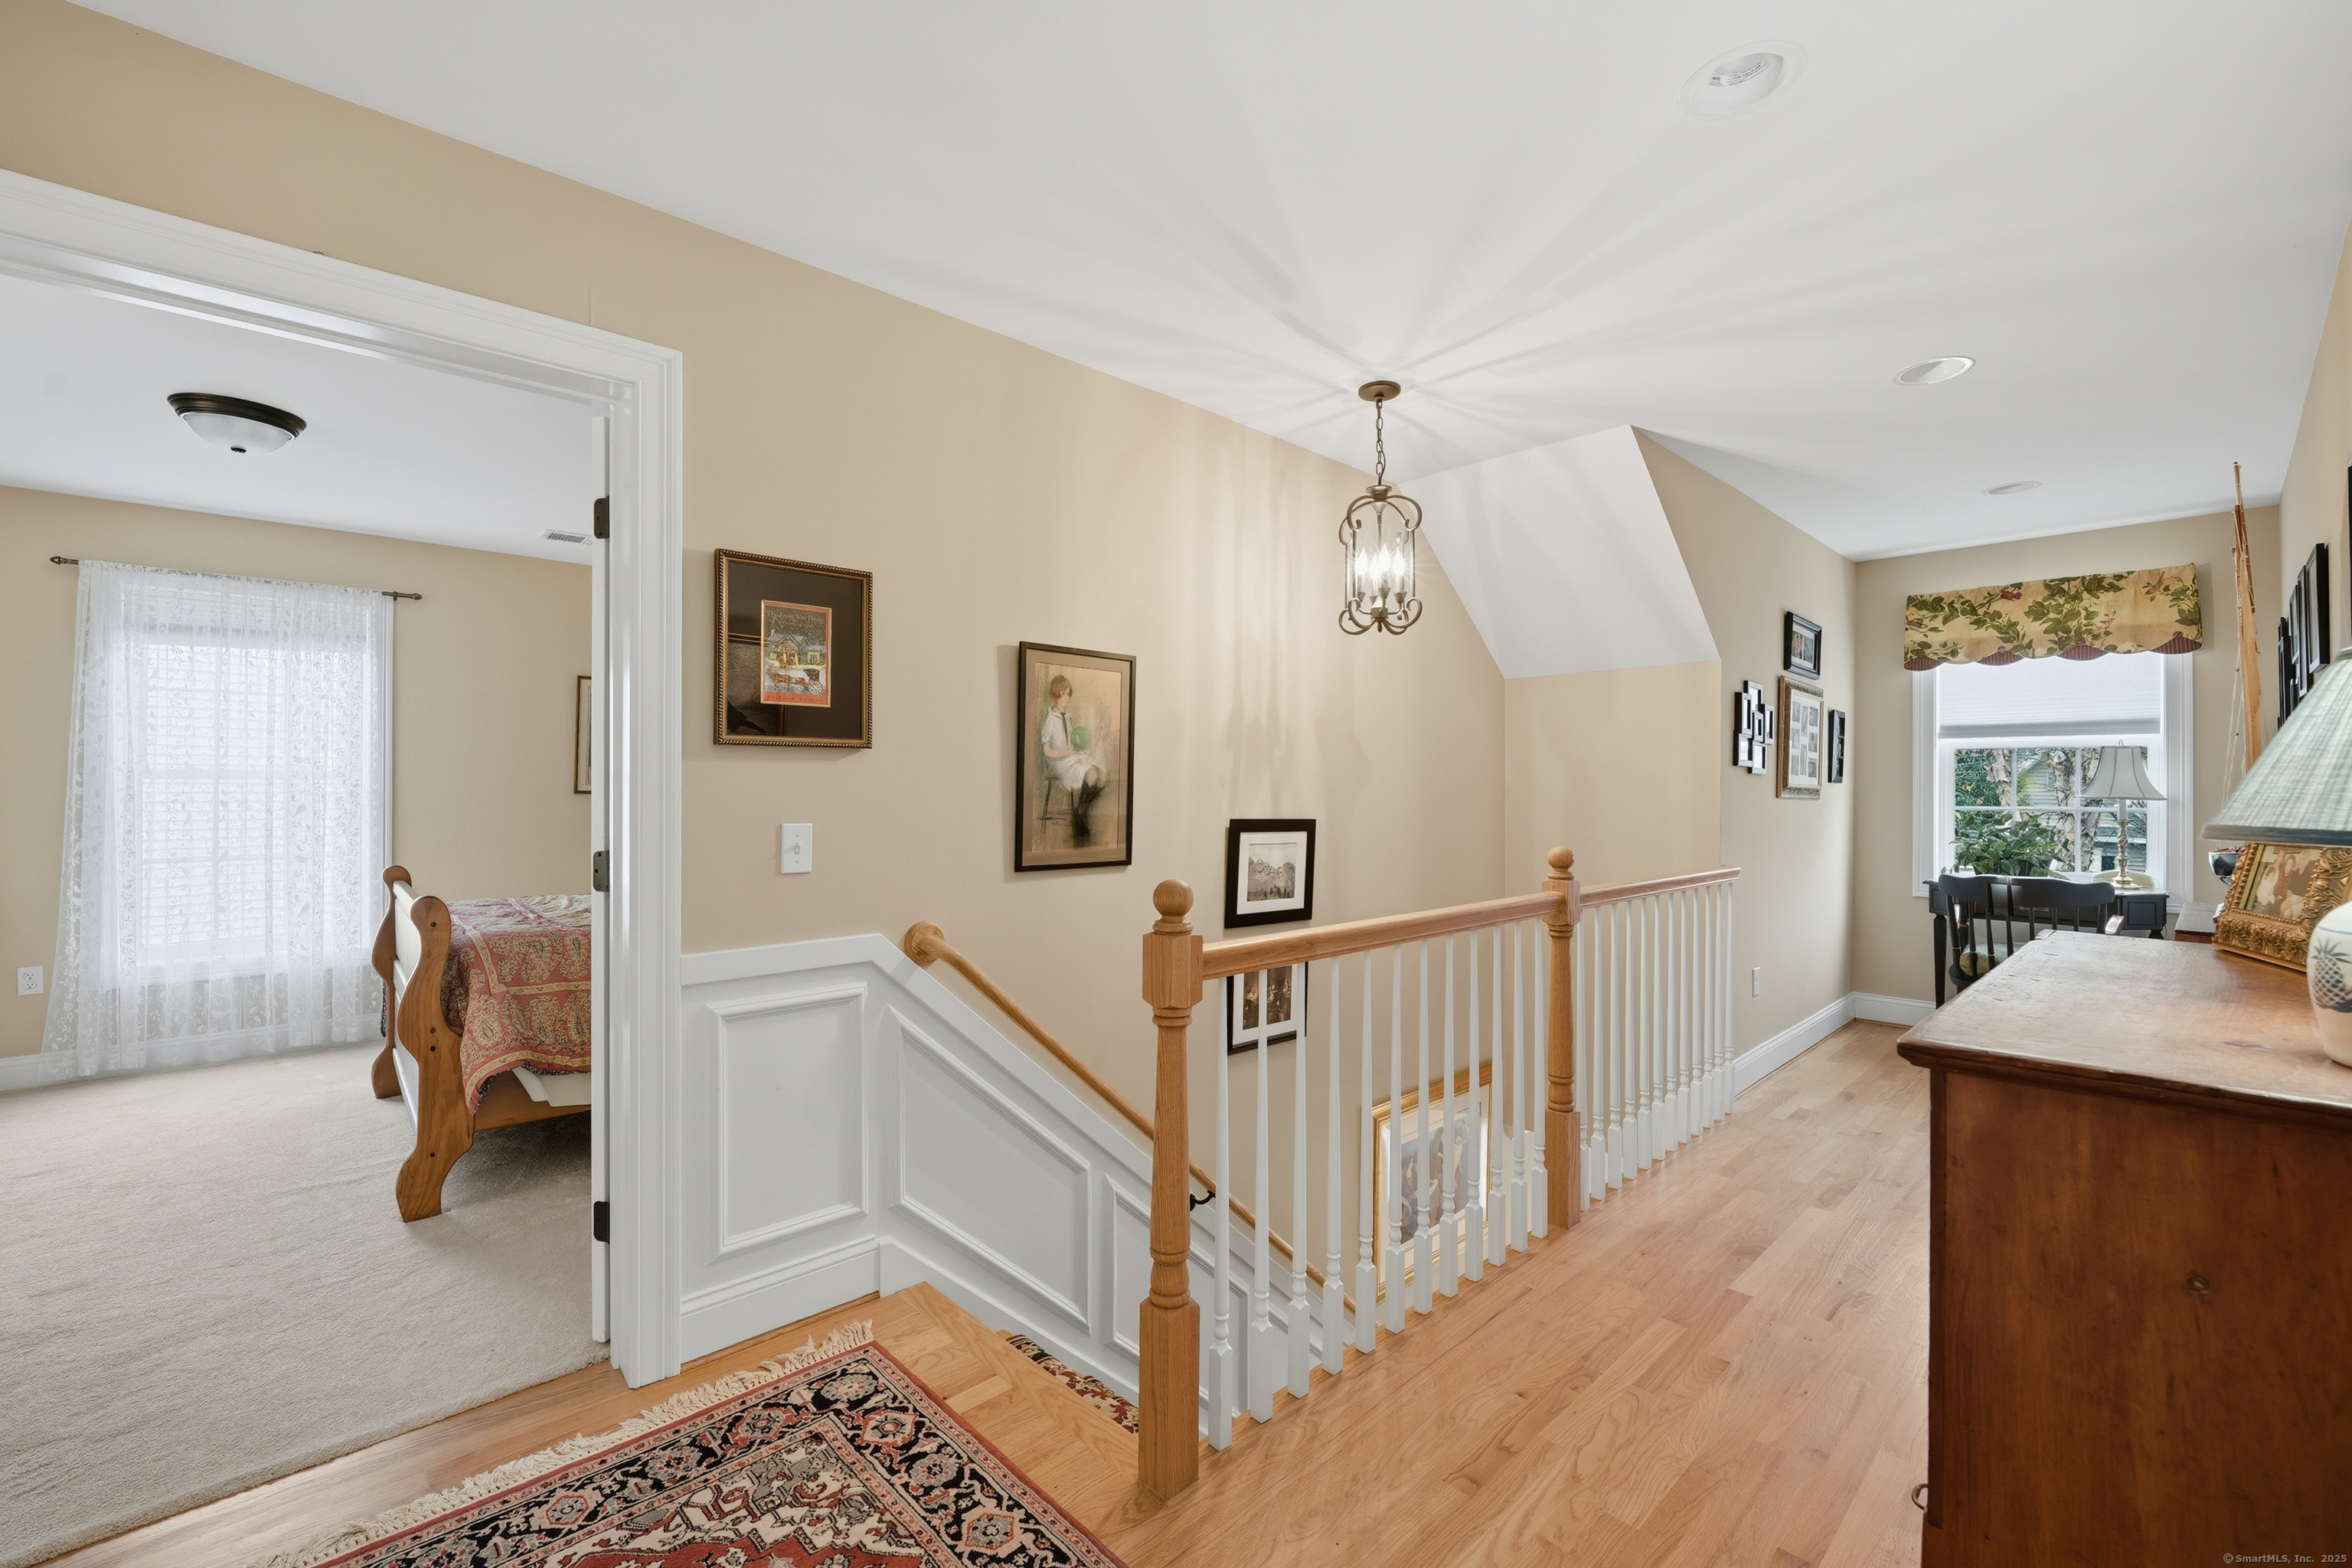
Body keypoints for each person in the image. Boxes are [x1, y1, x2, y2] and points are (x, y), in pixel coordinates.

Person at [1040, 674, 1107, 846]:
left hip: (1070, 758)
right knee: (1091, 774)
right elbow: (1047, 753)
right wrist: (1068, 753)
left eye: (1069, 694)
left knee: (1101, 774)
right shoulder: (1050, 720)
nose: (1068, 698)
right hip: (1057, 763)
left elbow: (1071, 742)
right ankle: (1080, 813)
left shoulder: (1068, 717)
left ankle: (1080, 808)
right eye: (1065, 694)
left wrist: (1078, 750)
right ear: (1057, 695)